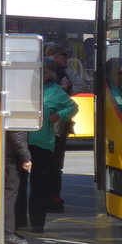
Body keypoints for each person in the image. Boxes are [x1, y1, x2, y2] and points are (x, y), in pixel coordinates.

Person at [23, 63, 78, 234]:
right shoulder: (23, 87)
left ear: (50, 75)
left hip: (42, 143)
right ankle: (17, 220)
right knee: (17, 184)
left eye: (45, 72)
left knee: (39, 183)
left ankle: (37, 222)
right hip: (19, 141)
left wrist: (59, 116)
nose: (42, 75)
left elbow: (73, 107)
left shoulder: (55, 91)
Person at [43, 46, 75, 212]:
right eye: (62, 56)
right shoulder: (58, 80)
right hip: (42, 134)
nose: (65, 59)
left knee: (54, 166)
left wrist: (59, 116)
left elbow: (71, 106)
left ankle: (52, 197)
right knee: (46, 167)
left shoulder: (62, 78)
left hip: (56, 131)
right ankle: (47, 197)